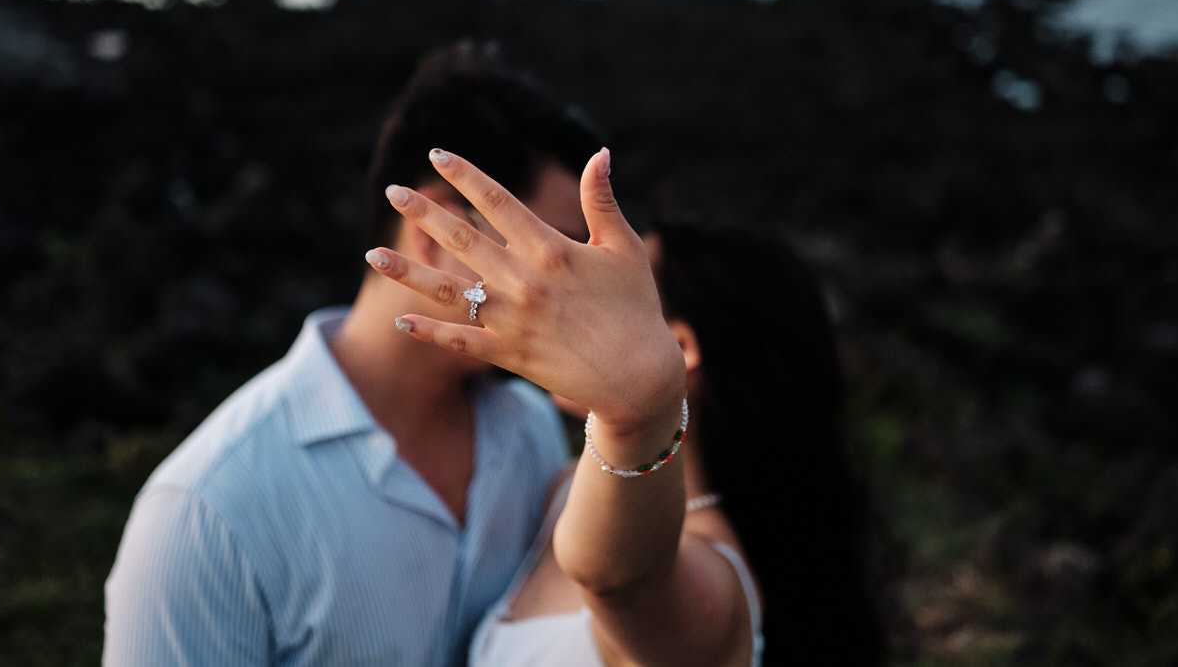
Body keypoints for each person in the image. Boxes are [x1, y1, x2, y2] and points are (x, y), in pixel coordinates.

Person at [103, 45, 606, 666]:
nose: (578, 293)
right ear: (438, 233)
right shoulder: (208, 511)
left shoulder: (529, 430)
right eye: (556, 253)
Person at [370, 150, 887, 666]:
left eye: (618, 288)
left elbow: (618, 579)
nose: (572, 289)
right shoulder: (558, 488)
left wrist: (635, 418)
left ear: (680, 349)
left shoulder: (715, 586)